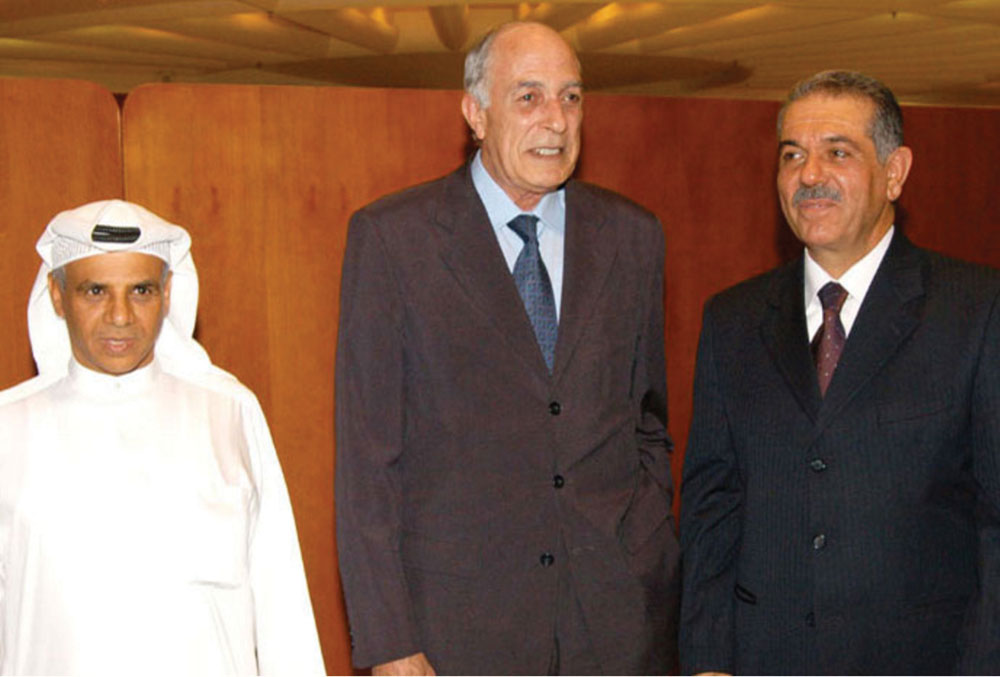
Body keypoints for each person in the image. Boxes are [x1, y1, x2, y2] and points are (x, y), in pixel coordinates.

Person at [335, 21, 678, 676]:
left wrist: (646, 545)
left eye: (571, 97)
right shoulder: (394, 240)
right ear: (476, 113)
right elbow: (367, 465)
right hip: (457, 632)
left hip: (615, 624)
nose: (557, 119)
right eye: (529, 97)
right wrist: (388, 641)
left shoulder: (632, 237)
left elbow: (648, 423)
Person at [679, 70, 1000, 674]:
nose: (810, 175)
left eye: (838, 152)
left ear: (895, 172)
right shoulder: (733, 320)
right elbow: (711, 509)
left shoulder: (976, 312)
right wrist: (707, 660)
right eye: (792, 155)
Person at [0, 200, 326, 675]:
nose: (120, 316)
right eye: (95, 291)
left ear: (168, 293)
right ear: (56, 294)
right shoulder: (9, 426)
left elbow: (283, 608)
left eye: (141, 290)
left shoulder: (228, 413)